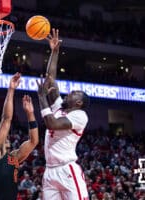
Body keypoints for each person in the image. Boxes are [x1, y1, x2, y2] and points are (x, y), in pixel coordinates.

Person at [36, 29, 90, 200]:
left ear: (79, 103)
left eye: (74, 93)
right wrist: (55, 51)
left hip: (67, 170)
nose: (70, 93)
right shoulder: (60, 107)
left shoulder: (80, 116)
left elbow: (51, 124)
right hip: (50, 170)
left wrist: (41, 98)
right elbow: (50, 79)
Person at [0, 72, 39, 200]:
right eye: (4, 136)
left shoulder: (14, 158)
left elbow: (33, 141)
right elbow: (6, 119)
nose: (6, 136)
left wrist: (30, 114)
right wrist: (11, 89)